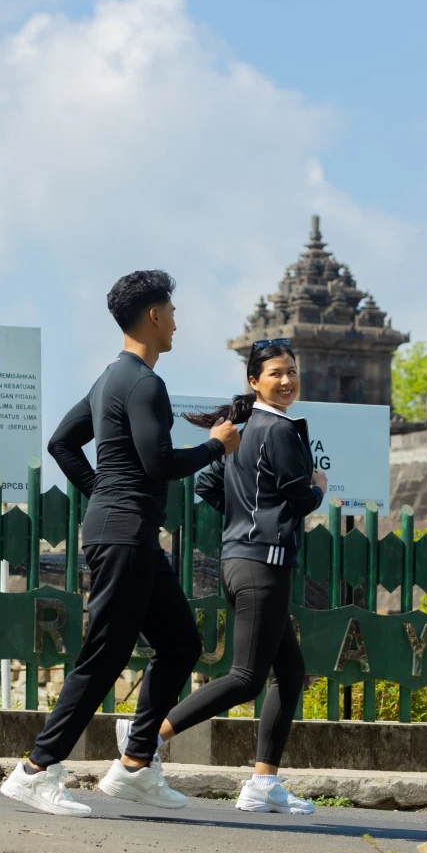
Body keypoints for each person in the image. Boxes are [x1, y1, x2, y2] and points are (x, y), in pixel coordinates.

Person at [0, 270, 241, 817]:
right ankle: (36, 770)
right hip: (125, 537)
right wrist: (216, 446)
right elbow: (158, 462)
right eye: (172, 311)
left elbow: (61, 443)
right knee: (104, 656)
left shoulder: (111, 378)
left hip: (129, 535)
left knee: (180, 644)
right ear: (154, 315)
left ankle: (135, 765)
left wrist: (102, 492)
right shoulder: (144, 383)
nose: (177, 321)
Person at [117, 339, 325, 814]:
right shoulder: (279, 429)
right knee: (247, 677)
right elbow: (298, 498)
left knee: (290, 672)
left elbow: (208, 484)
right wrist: (318, 489)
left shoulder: (243, 431)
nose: (287, 380)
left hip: (241, 560)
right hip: (263, 564)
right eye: (275, 373)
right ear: (254, 381)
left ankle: (263, 783)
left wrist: (245, 518)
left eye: (292, 371)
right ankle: (145, 737)